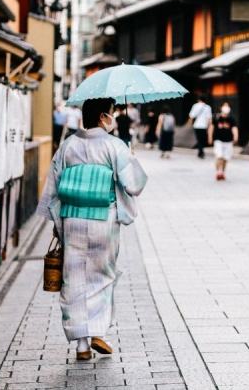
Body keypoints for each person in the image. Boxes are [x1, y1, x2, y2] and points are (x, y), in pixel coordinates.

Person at [36, 97, 148, 360]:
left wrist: (56, 224)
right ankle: (99, 331)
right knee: (102, 274)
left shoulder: (67, 146)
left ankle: (82, 345)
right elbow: (135, 185)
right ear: (102, 117)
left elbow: (54, 190)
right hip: (104, 220)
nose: (113, 117)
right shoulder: (114, 146)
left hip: (72, 219)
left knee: (73, 278)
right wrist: (130, 159)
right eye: (111, 113)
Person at [208, 102, 238, 180]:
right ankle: (218, 172)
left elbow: (234, 128)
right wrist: (210, 137)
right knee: (219, 156)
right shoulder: (216, 117)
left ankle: (223, 172)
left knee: (225, 158)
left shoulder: (231, 119)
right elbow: (211, 127)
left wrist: (235, 136)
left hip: (228, 141)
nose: (226, 108)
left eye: (228, 106)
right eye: (225, 106)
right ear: (221, 108)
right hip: (218, 140)